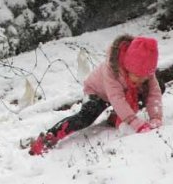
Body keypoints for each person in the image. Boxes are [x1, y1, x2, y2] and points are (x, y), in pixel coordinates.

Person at [28, 35, 162, 156]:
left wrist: (155, 117)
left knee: (158, 87)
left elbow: (153, 93)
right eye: (138, 77)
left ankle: (115, 117)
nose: (141, 80)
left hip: (122, 93)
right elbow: (116, 98)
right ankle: (50, 136)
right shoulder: (112, 70)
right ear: (128, 67)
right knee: (86, 117)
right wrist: (134, 122)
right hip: (97, 93)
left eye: (145, 78)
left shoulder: (145, 71)